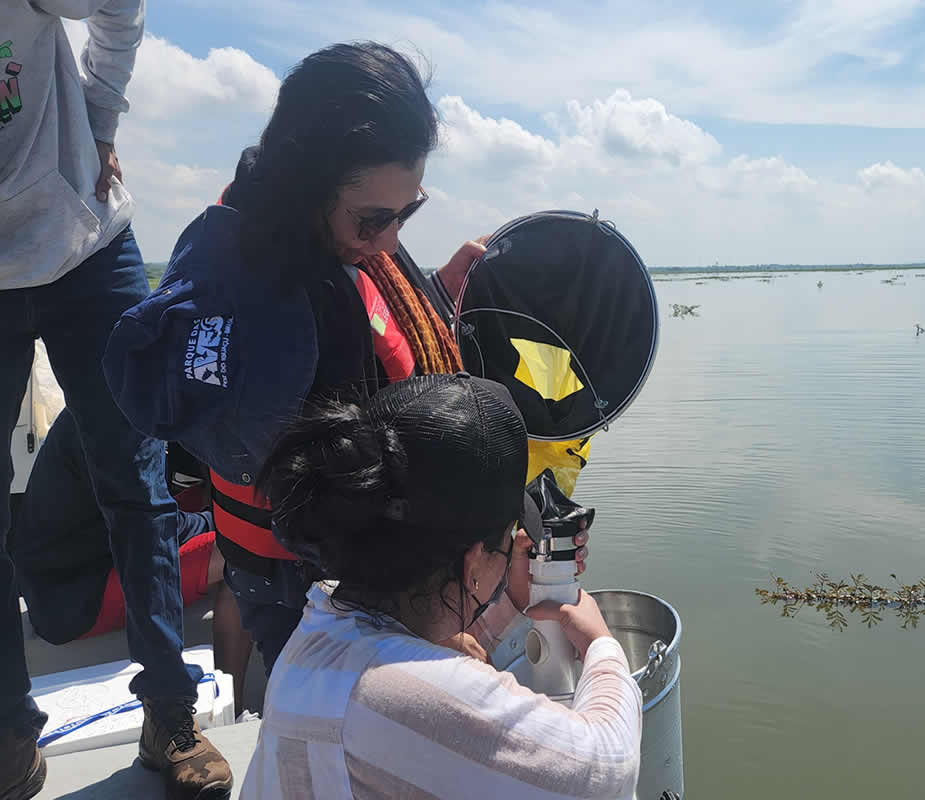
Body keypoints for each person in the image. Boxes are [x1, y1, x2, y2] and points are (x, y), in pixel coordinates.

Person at [102, 41, 588, 681]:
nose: (390, 241)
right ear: (308, 186)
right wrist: (461, 594)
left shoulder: (288, 225)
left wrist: (436, 291)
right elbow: (345, 508)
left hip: (285, 557)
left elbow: (368, 337)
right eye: (375, 219)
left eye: (409, 211)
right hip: (307, 580)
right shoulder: (275, 314)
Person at [1, 2, 231, 798]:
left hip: (83, 240)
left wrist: (99, 123)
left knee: (135, 481)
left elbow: (117, 7)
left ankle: (169, 712)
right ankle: (7, 730)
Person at [242, 373, 641, 800]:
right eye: (508, 541)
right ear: (473, 561)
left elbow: (424, 649)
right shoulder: (415, 698)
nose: (511, 553)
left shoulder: (318, 630)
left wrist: (509, 599)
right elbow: (606, 770)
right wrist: (601, 645)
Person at [9, 411, 252, 710]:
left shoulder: (97, 403)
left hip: (64, 579)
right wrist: (223, 521)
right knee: (245, 550)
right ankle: (232, 707)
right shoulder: (118, 423)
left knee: (213, 512)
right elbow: (154, 524)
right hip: (77, 601)